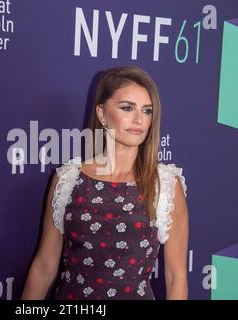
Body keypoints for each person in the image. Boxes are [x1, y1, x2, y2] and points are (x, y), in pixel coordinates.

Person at [21, 66, 188, 300]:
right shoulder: (68, 179)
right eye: (127, 108)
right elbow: (44, 266)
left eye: (147, 111)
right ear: (101, 113)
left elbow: (176, 277)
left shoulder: (166, 184)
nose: (139, 119)